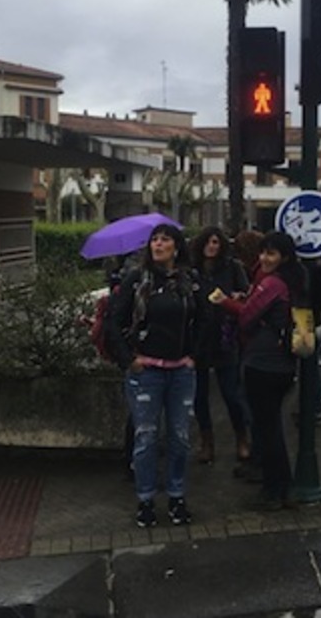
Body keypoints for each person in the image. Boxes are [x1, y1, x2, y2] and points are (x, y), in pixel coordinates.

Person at [108, 223, 197, 528]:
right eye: (154, 240)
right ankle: (145, 500)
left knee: (180, 437)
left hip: (180, 373)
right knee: (145, 437)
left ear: (177, 247)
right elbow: (114, 322)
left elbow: (205, 321)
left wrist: (193, 356)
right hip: (146, 373)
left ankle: (176, 496)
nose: (158, 245)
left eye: (165, 240)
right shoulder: (136, 280)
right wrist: (129, 359)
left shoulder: (188, 281)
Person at [216, 231, 305, 511]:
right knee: (273, 428)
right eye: (263, 252)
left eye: (271, 254)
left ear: (284, 257)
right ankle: (285, 488)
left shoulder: (273, 283)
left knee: (267, 431)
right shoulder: (293, 280)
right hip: (283, 364)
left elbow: (246, 317)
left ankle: (273, 490)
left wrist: (224, 302)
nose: (264, 258)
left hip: (263, 364)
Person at [190, 227, 252, 464]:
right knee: (199, 397)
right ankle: (207, 442)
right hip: (199, 339)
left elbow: (246, 293)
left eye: (216, 242)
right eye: (207, 242)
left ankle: (242, 437)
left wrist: (236, 297)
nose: (212, 246)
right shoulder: (192, 270)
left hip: (225, 336)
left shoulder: (232, 267)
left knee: (231, 394)